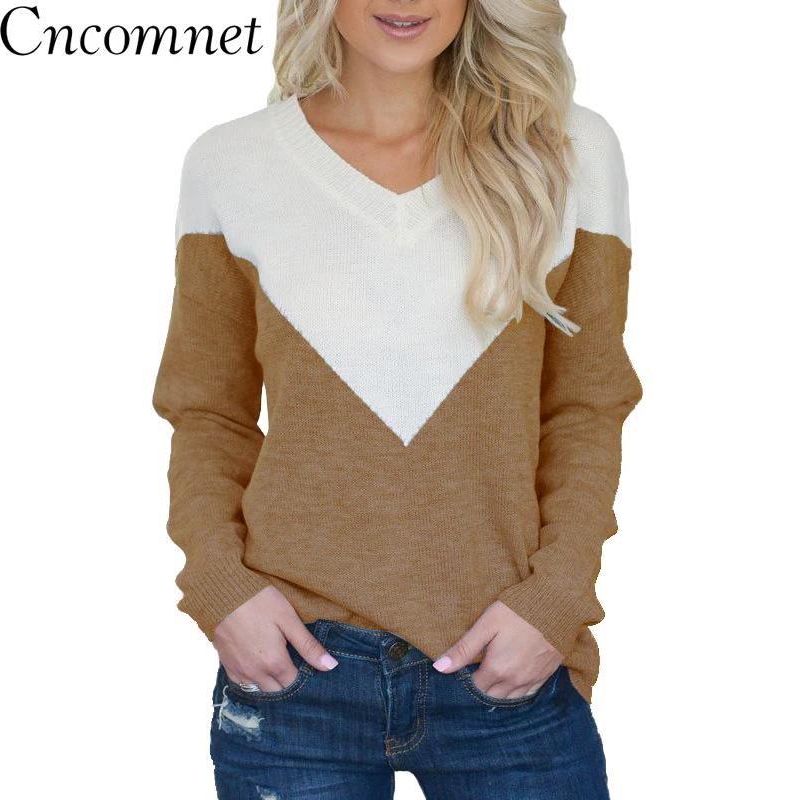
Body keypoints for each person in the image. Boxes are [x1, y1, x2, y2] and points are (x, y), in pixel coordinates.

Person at [151, 1, 643, 797]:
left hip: (509, 672)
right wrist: (219, 589)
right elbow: (207, 411)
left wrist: (556, 600)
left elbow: (587, 407)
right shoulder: (232, 164)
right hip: (295, 677)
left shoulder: (569, 150)